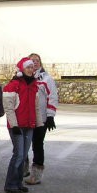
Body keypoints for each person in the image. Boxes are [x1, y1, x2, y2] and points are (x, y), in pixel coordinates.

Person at [2, 57, 44, 193]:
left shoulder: (34, 85)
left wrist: (39, 124)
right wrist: (13, 125)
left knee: (24, 154)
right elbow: (8, 108)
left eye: (32, 67)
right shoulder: (13, 85)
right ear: (22, 69)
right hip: (17, 126)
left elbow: (36, 107)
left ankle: (18, 183)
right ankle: (10, 184)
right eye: (28, 67)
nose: (31, 70)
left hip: (29, 125)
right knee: (19, 154)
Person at [25, 52, 59, 185]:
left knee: (37, 145)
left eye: (37, 60)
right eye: (31, 60)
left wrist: (50, 116)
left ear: (40, 63)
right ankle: (22, 170)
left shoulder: (46, 79)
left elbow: (53, 97)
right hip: (25, 117)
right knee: (23, 145)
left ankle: (36, 175)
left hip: (41, 118)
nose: (34, 62)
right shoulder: (22, 78)